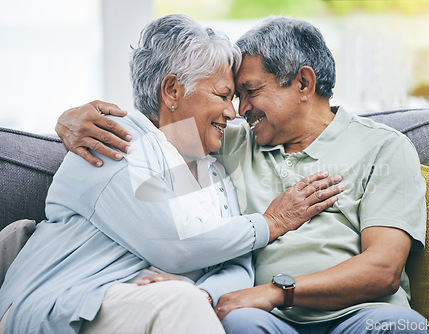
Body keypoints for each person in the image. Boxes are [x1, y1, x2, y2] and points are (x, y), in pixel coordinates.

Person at [54, 16, 429, 334]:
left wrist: (277, 291)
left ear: (304, 83)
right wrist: (71, 119)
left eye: (250, 91)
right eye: (232, 96)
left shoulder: (384, 148)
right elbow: (153, 130)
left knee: (401, 326)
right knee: (239, 323)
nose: (239, 109)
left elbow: (383, 270)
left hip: (359, 313)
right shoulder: (229, 142)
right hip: (261, 316)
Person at [0, 14, 343, 334]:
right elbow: (172, 244)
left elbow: (240, 266)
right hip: (68, 302)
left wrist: (206, 293)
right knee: (180, 301)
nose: (232, 111)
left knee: (183, 300)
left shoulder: (212, 168)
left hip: (154, 308)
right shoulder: (116, 140)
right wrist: (271, 223)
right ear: (172, 91)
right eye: (223, 95)